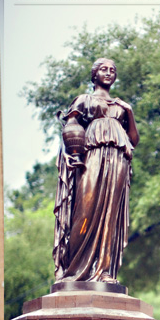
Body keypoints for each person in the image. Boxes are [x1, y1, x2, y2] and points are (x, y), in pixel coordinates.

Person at [53, 58, 140, 284]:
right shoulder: (84, 100)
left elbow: (133, 140)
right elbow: (71, 126)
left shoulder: (121, 106)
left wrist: (129, 112)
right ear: (94, 74)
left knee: (110, 212)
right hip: (92, 155)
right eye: (104, 69)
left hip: (118, 158)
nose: (109, 73)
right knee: (85, 208)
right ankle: (73, 270)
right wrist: (73, 153)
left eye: (112, 70)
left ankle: (103, 270)